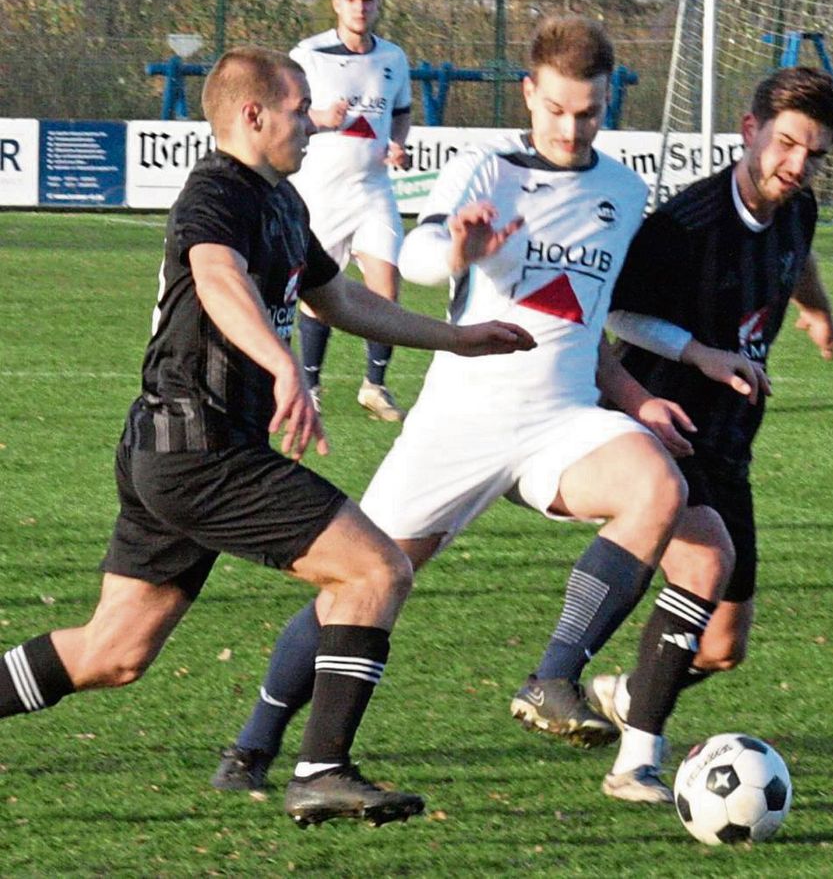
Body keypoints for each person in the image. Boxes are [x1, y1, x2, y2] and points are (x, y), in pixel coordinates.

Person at [0, 46, 533, 829]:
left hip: (170, 447)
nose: (316, 122)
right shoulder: (216, 192)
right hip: (202, 447)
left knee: (113, 652)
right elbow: (215, 275)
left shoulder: (280, 202)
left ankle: (318, 767)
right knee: (375, 570)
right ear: (253, 115)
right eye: (300, 107)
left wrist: (455, 338)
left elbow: (339, 300)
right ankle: (322, 769)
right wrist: (283, 366)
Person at [211, 16, 696, 804]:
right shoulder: (485, 169)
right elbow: (423, 255)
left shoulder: (624, 189)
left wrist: (643, 394)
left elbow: (591, 318)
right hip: (461, 423)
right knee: (362, 586)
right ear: (530, 93)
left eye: (592, 112)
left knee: (658, 488)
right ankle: (253, 744)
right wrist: (462, 252)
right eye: (558, 109)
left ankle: (554, 677)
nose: (573, 128)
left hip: (563, 422)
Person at [579, 66, 833, 802]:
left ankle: (636, 692)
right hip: (667, 429)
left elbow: (798, 261)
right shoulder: (684, 226)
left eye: (815, 153)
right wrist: (699, 353)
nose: (797, 165)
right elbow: (619, 317)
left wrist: (815, 310)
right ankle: (637, 760)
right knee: (700, 573)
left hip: (731, 443)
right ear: (750, 129)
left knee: (725, 646)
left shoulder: (798, 209)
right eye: (787, 143)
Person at [290, 0, 414, 421]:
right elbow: (285, 111)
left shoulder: (393, 58)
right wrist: (318, 118)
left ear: (378, 4)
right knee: (317, 294)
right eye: (352, 0)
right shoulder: (309, 55)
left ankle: (374, 387)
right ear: (336, 5)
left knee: (386, 289)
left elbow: (401, 114)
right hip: (322, 193)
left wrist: (398, 144)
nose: (360, 8)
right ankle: (311, 385)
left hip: (374, 190)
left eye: (368, 0)